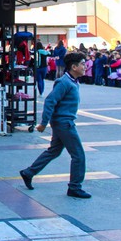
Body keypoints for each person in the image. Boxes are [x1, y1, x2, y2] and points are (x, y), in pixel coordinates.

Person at [19, 52, 91, 199]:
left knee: (54, 151)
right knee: (78, 155)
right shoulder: (64, 82)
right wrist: (43, 123)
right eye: (83, 64)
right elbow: (50, 101)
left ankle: (29, 172)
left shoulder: (72, 81)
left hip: (62, 122)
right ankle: (75, 187)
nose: (85, 67)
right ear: (74, 67)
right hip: (64, 124)